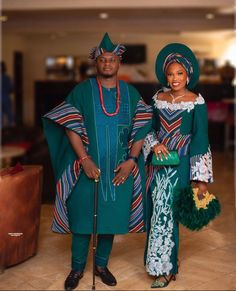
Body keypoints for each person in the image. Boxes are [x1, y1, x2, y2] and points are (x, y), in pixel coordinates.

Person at [42, 32, 152, 291]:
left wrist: (132, 161)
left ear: (118, 62)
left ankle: (101, 265)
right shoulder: (82, 91)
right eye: (102, 59)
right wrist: (84, 159)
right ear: (96, 63)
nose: (107, 64)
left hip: (119, 169)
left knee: (110, 219)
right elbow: (70, 126)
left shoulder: (130, 92)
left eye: (111, 59)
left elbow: (142, 127)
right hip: (86, 167)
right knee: (82, 221)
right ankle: (77, 268)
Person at [143, 43, 213, 288]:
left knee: (169, 212)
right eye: (170, 74)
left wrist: (200, 178)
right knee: (156, 211)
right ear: (165, 75)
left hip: (181, 164)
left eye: (179, 73)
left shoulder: (197, 101)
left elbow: (201, 140)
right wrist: (154, 145)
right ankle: (156, 264)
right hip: (157, 164)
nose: (174, 78)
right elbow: (148, 129)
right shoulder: (157, 99)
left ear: (188, 74)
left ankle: (168, 269)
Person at [1, 61, 14, 127]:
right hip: (6, 98)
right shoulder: (7, 78)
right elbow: (11, 89)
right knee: (9, 116)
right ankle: (11, 132)